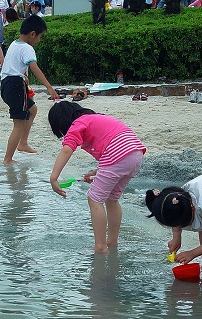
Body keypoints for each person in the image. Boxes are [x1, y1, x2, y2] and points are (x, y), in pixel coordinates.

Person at [48, 100, 146, 252]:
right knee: (111, 199)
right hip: (136, 154)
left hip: (118, 155)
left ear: (63, 122)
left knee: (94, 198)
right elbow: (110, 146)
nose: (65, 135)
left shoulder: (78, 123)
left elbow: (67, 149)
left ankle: (100, 246)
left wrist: (54, 177)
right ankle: (112, 241)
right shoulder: (96, 119)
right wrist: (97, 172)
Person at [0, 15, 58, 164]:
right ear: (33, 33)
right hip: (15, 86)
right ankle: (8, 159)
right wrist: (49, 87)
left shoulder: (14, 44)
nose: (39, 40)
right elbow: (34, 67)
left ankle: (23, 143)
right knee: (18, 124)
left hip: (7, 85)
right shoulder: (27, 48)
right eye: (40, 36)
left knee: (32, 110)